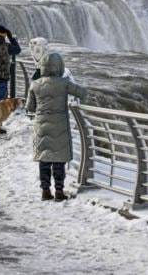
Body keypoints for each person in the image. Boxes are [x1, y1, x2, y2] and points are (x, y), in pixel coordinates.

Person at [26, 52, 87, 201]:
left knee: (44, 159)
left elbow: (30, 107)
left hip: (41, 126)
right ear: (59, 66)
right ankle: (59, 191)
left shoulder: (35, 84)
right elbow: (83, 93)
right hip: (60, 126)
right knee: (59, 160)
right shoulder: (64, 83)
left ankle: (45, 191)